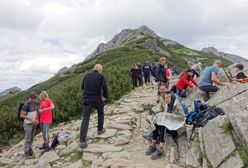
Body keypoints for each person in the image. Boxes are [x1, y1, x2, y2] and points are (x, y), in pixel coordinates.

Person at [145, 91, 185, 160]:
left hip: (177, 128)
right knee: (156, 124)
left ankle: (160, 148)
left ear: (171, 98)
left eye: (167, 98)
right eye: (165, 98)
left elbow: (182, 117)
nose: (165, 100)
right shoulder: (167, 105)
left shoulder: (177, 105)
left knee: (164, 127)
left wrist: (170, 115)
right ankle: (153, 144)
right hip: (170, 124)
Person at [80, 64, 108, 148]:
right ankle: (100, 130)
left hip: (86, 99)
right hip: (96, 98)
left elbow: (82, 87)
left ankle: (82, 140)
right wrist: (105, 96)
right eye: (101, 70)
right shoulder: (101, 76)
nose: (102, 71)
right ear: (99, 70)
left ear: (94, 69)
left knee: (85, 119)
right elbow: (105, 87)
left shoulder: (86, 76)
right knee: (101, 112)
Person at [20, 91, 39, 159]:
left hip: (34, 123)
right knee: (27, 138)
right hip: (28, 124)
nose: (35, 100)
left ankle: (30, 149)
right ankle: (26, 152)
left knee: (32, 137)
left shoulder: (35, 103)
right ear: (30, 98)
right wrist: (31, 119)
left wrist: (37, 120)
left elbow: (36, 112)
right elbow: (22, 115)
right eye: (34, 98)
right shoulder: (26, 105)